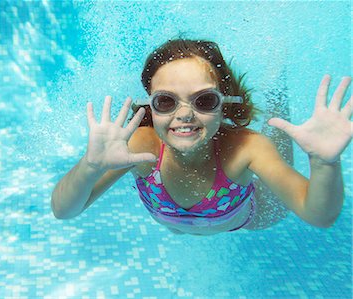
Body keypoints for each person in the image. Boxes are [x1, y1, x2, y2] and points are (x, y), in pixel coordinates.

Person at [51, 39, 351, 235]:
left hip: (252, 218)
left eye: (204, 101)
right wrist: (89, 166)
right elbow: (64, 210)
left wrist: (325, 163)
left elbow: (319, 215)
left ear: (223, 105)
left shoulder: (246, 148)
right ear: (151, 107)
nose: (184, 115)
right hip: (182, 222)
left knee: (276, 137)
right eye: (166, 101)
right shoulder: (141, 149)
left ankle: (276, 86)